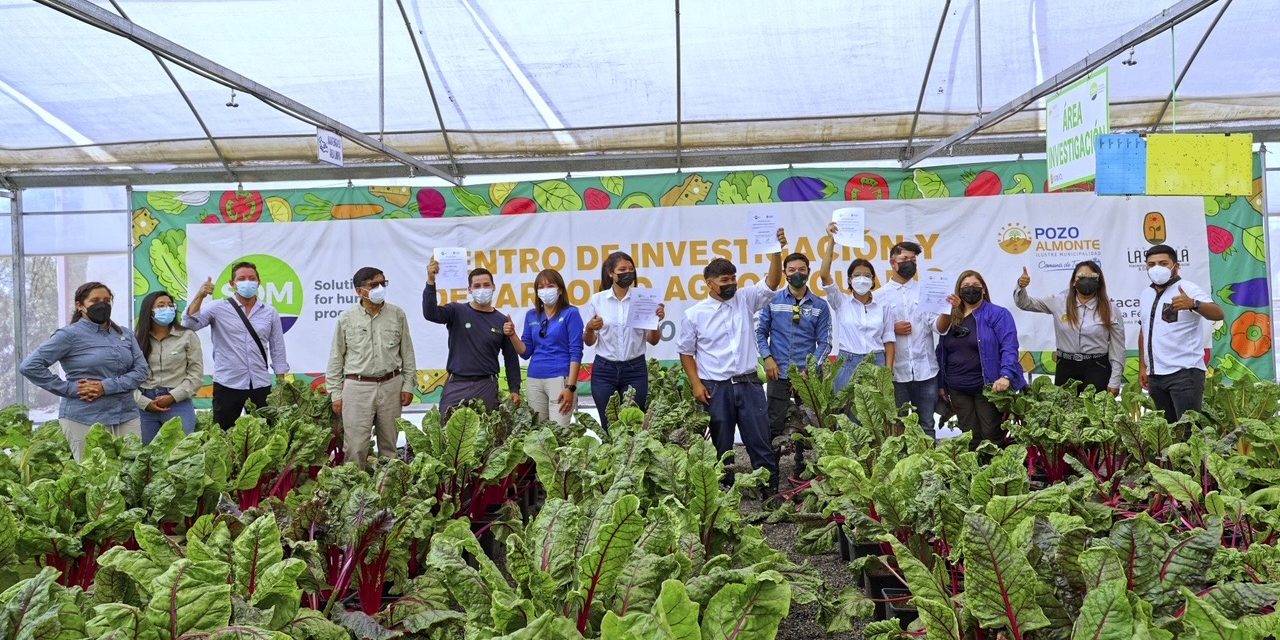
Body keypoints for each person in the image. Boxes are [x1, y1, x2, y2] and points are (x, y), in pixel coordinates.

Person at [677, 228, 785, 495]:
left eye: (734, 278)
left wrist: (776, 252)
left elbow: (771, 282)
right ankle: (723, 495)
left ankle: (768, 492)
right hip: (716, 388)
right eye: (724, 279)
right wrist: (695, 384)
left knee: (759, 440)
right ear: (709, 283)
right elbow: (686, 352)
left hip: (748, 384)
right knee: (721, 445)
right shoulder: (694, 314)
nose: (731, 284)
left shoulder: (745, 299)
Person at [20, 282, 148, 460]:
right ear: (80, 305)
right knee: (94, 476)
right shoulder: (68, 335)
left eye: (106, 300)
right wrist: (70, 389)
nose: (102, 304)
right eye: (95, 300)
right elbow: (30, 366)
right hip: (84, 416)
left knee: (131, 473)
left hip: (125, 414)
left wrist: (105, 387)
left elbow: (142, 371)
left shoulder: (125, 334)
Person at [327, 267, 417, 468]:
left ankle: (388, 491)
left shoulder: (397, 314)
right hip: (357, 387)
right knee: (356, 446)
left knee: (389, 447)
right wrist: (335, 393)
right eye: (373, 285)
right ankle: (354, 492)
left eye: (382, 283)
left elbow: (408, 353)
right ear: (360, 291)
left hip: (391, 384)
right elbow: (335, 358)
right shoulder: (346, 318)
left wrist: (408, 385)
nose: (379, 288)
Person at [185, 261, 291, 429]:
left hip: (261, 384)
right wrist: (200, 296)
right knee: (223, 435)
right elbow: (190, 324)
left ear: (259, 282)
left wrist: (281, 383)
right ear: (232, 284)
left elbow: (278, 347)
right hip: (228, 383)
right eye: (242, 278)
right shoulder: (218, 308)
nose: (247, 282)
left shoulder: (269, 312)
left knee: (265, 434)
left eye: (252, 278)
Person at [935, 270, 1026, 447]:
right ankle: (975, 473)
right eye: (966, 287)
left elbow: (1009, 346)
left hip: (988, 387)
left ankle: (997, 472)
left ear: (983, 289)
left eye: (975, 286)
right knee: (970, 436)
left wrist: (1006, 375)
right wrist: (941, 384)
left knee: (991, 435)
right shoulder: (951, 318)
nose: (971, 290)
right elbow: (942, 352)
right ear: (959, 291)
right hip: (958, 388)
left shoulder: (998, 314)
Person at [424, 260, 521, 419]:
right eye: (477, 286)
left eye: (486, 285)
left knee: (486, 437)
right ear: (469, 290)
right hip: (457, 384)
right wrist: (430, 281)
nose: (482, 289)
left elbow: (511, 358)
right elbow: (430, 314)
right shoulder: (456, 311)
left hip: (486, 386)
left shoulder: (502, 320)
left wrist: (515, 390)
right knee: (448, 434)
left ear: (493, 287)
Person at [756, 250, 831, 457]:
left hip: (807, 377)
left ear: (808, 272)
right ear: (785, 273)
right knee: (773, 425)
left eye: (801, 269)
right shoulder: (772, 301)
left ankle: (804, 471)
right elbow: (760, 333)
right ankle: (771, 477)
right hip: (777, 373)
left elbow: (825, 342)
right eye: (792, 270)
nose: (797, 273)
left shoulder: (820, 305)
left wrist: (811, 368)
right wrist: (767, 358)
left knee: (809, 427)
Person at [1138, 244, 1223, 422]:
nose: (1157, 268)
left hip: (1184, 374)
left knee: (1190, 432)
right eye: (1151, 264)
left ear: (1176, 266)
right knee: (1167, 433)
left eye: (1163, 263)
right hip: (1156, 376)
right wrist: (1143, 366)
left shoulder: (1187, 288)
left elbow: (1218, 313)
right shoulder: (1146, 294)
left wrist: (1193, 303)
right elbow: (1144, 331)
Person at [582, 251, 665, 432]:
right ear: (611, 273)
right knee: (608, 425)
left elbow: (653, 340)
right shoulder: (598, 300)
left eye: (631, 269)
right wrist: (589, 327)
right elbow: (589, 342)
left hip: (635, 370)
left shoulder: (643, 299)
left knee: (633, 426)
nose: (628, 272)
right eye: (622, 269)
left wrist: (656, 321)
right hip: (604, 371)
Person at [1015, 261, 1125, 394]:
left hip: (1097, 367)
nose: (1086, 281)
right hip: (1066, 367)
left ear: (1099, 282)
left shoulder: (1111, 309)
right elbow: (1025, 303)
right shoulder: (1058, 301)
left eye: (1092, 278)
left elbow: (1118, 348)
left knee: (1094, 413)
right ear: (1073, 281)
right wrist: (1021, 286)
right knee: (1063, 412)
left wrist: (1115, 380)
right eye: (1082, 277)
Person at [819, 223, 895, 392]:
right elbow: (824, 274)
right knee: (847, 415)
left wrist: (888, 372)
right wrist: (832, 241)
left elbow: (889, 340)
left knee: (874, 415)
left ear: (874, 280)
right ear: (849, 280)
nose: (862, 279)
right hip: (847, 363)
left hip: (877, 363)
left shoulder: (883, 306)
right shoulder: (840, 302)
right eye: (857, 275)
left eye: (867, 275)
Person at [876, 241, 942, 436]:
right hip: (896, 373)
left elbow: (937, 326)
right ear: (892, 262)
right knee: (899, 427)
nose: (909, 263)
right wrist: (891, 328)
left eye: (913, 260)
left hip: (926, 371)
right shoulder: (878, 296)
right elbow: (869, 332)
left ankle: (930, 464)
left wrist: (947, 312)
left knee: (927, 425)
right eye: (904, 259)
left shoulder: (926, 291)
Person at [506, 269, 584, 426]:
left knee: (560, 433)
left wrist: (571, 387)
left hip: (560, 380)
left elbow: (576, 351)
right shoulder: (531, 315)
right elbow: (525, 352)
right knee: (537, 433)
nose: (545, 290)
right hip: (534, 379)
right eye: (541, 287)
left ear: (560, 289)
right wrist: (512, 334)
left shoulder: (571, 313)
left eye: (550, 285)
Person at [134, 290, 203, 442]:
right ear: (149, 311)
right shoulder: (136, 338)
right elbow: (127, 376)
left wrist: (173, 397)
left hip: (178, 403)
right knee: (145, 458)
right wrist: (144, 402)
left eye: (170, 305)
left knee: (180, 454)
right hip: (144, 405)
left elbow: (195, 375)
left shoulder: (187, 336)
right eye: (161, 305)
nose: (167, 308)